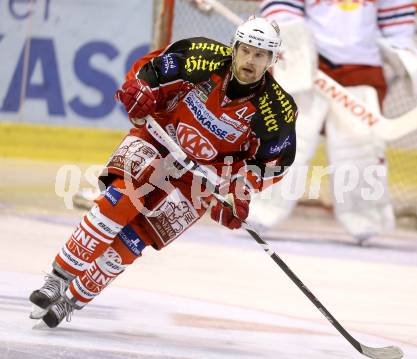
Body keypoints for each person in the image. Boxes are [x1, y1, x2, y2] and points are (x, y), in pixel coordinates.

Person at [29, 16, 298, 328]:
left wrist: (238, 190)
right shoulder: (202, 56)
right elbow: (150, 71)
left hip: (200, 177)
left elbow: (273, 163)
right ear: (234, 47)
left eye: (260, 54)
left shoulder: (277, 111)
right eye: (246, 50)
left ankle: (72, 300)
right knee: (119, 201)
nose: (250, 60)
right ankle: (57, 279)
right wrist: (141, 91)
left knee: (135, 239)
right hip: (158, 140)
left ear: (272, 60)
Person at [251, 0, 417, 242]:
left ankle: (366, 218)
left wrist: (402, 48)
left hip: (361, 67)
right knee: (289, 137)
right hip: (308, 61)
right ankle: (258, 209)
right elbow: (283, 7)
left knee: (359, 147)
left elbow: (396, 18)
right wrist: (291, 37)